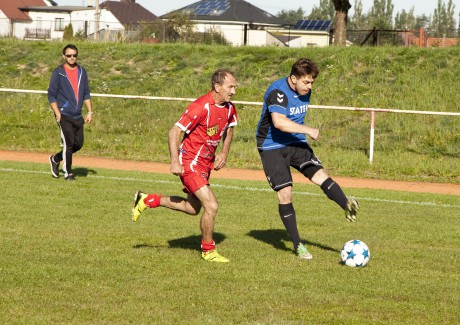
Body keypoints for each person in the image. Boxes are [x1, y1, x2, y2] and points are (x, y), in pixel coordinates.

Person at [255, 58, 359, 260]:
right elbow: (279, 123)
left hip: (295, 142)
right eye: (306, 82)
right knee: (285, 194)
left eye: (312, 82)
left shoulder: (305, 90)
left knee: (320, 174)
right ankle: (298, 245)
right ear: (293, 78)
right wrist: (308, 130)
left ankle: (346, 205)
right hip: (272, 147)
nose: (309, 87)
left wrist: (302, 134)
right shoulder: (277, 92)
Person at [131, 69, 238, 263]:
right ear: (217, 87)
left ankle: (147, 200)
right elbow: (174, 132)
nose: (233, 91)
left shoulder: (230, 108)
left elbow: (229, 128)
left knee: (191, 208)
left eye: (234, 87)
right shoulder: (201, 106)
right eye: (230, 87)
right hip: (190, 162)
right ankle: (208, 250)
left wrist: (224, 152)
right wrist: (174, 161)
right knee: (212, 206)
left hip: (205, 165)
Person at [48, 44, 93, 181]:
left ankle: (55, 159)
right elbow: (51, 95)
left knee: (78, 144)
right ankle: (68, 173)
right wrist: (58, 114)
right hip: (64, 114)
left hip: (77, 114)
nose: (72, 58)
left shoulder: (82, 71)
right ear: (64, 56)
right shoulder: (58, 73)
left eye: (74, 55)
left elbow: (86, 92)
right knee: (68, 143)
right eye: (69, 55)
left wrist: (90, 111)